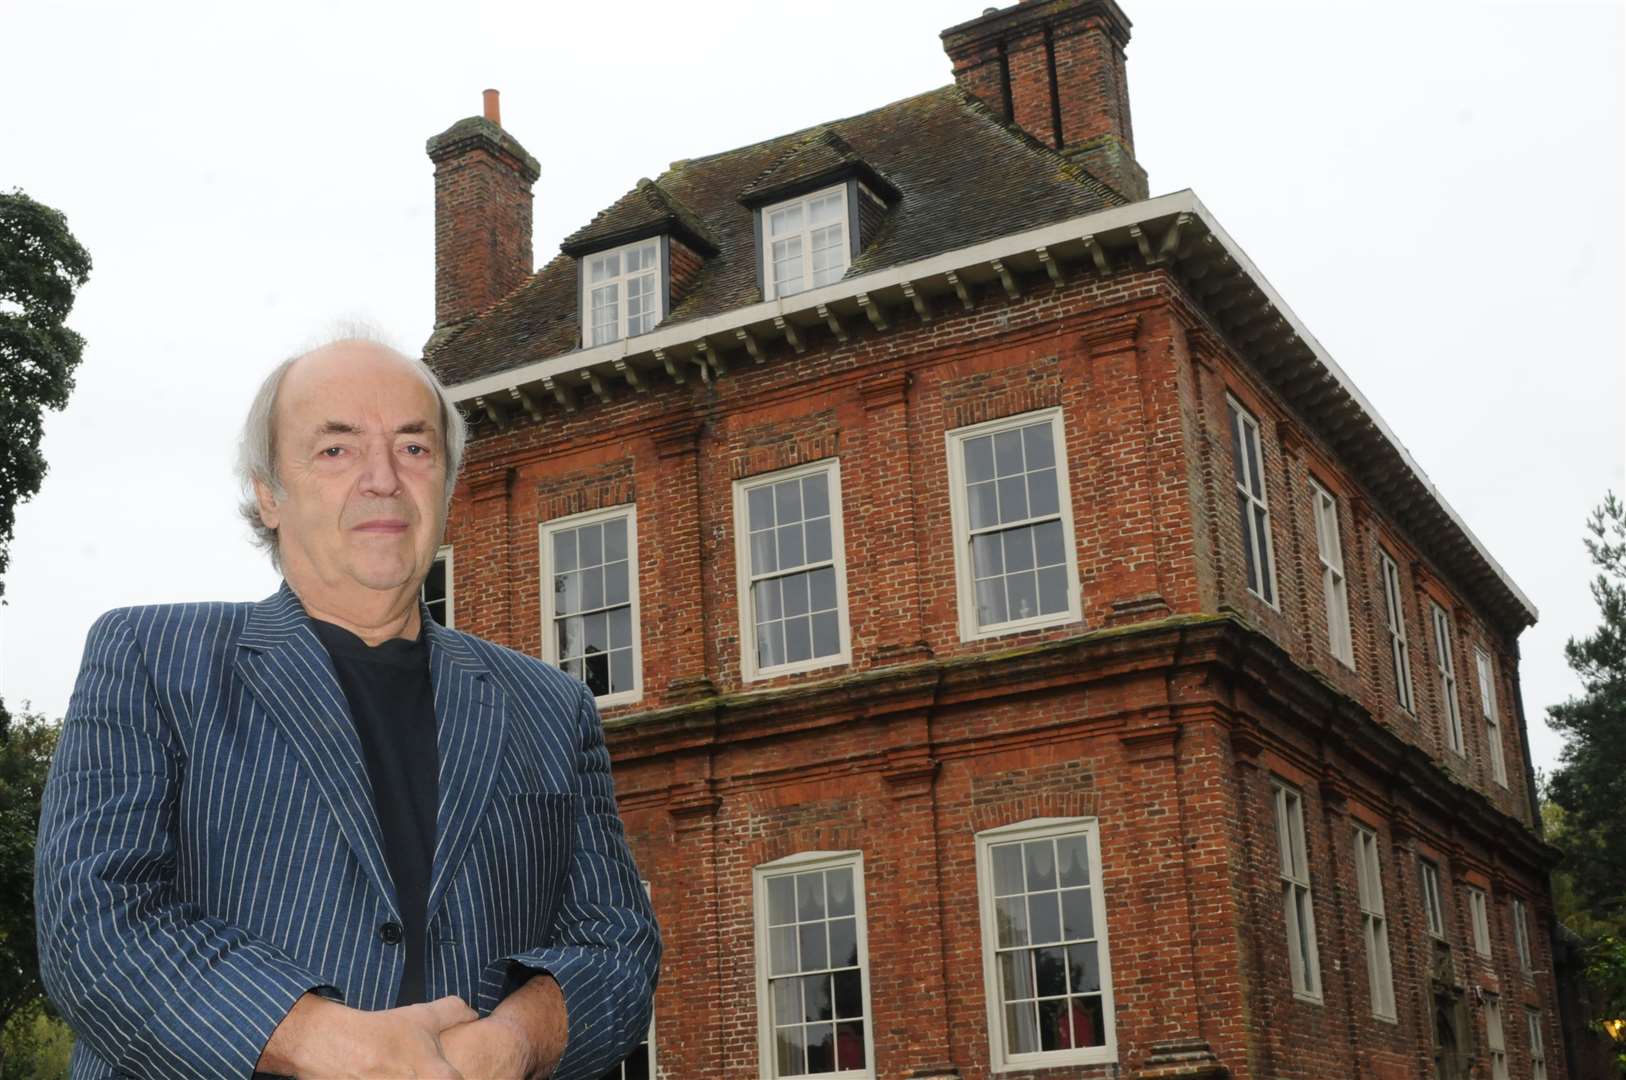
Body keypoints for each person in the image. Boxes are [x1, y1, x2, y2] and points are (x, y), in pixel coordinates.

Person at [34, 335, 660, 1079]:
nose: (383, 479)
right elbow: (93, 926)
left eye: (414, 449)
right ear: (269, 493)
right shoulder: (150, 656)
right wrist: (327, 1042)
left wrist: (516, 1040)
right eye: (336, 450)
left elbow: (616, 945)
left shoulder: (553, 707)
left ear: (448, 483)